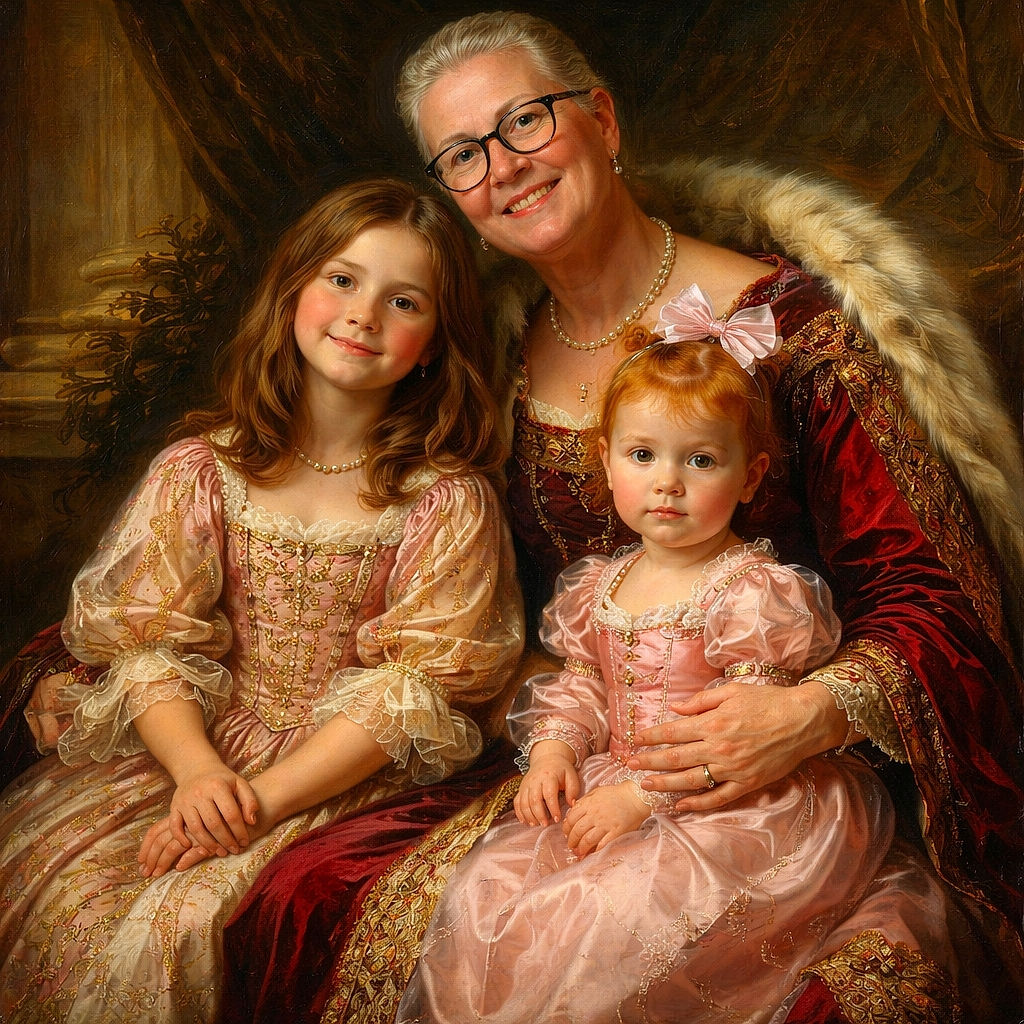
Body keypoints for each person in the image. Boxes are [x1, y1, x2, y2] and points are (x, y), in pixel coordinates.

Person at [216, 12, 1024, 1024]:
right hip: (573, 766)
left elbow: (936, 596)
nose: (502, 169)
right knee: (306, 896)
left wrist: (805, 714)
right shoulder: (482, 363)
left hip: (774, 797)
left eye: (522, 123)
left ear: (600, 118)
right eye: (463, 155)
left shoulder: (787, 330)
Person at [0, 176, 524, 1024]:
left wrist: (258, 804)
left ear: (432, 343)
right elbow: (148, 643)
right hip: (188, 751)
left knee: (183, 926)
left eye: (404, 300)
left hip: (338, 777)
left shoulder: (444, 501)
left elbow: (416, 691)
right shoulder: (202, 470)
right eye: (342, 280)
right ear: (292, 294)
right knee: (60, 895)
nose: (363, 315)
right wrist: (200, 772)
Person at [399, 326, 949, 1023]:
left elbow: (740, 735)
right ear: (605, 460)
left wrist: (638, 802)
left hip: (732, 804)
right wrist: (554, 750)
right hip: (618, 781)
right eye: (642, 455)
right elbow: (581, 685)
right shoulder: (599, 583)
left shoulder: (752, 593)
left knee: (609, 920)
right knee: (485, 890)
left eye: (700, 459)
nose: (668, 482)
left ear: (749, 475)